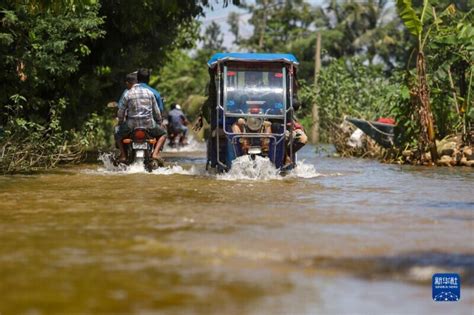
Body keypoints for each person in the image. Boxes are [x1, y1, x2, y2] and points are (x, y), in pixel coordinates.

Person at [115, 73, 167, 164]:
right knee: (164, 133)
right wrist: (159, 123)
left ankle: (123, 155)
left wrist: (120, 122)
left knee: (117, 132)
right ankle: (155, 154)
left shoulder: (128, 93)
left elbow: (121, 111)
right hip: (149, 124)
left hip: (131, 125)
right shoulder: (150, 93)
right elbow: (157, 111)